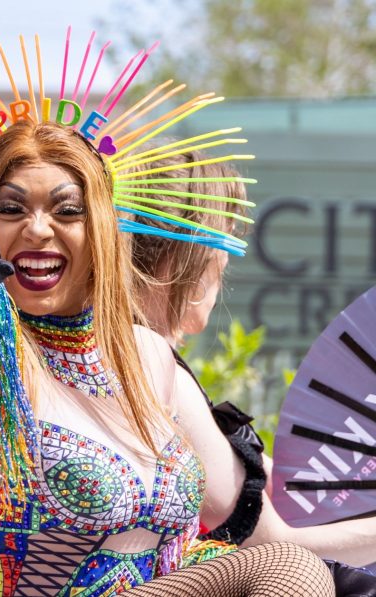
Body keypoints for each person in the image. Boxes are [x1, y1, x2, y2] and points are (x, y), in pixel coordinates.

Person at [0, 119, 333, 595]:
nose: (37, 227)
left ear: (103, 229)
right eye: (11, 208)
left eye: (68, 210)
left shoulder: (147, 355)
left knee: (288, 568)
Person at [130, 150, 376, 594]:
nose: (220, 281)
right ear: (186, 264)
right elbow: (276, 544)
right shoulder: (145, 358)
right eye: (220, 263)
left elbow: (284, 484)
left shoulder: (128, 353)